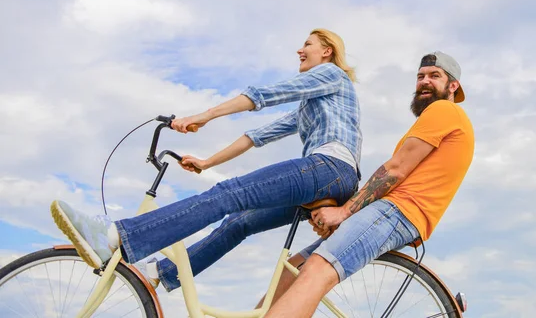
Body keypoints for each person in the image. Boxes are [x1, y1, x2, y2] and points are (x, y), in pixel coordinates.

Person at [50, 28, 363, 292]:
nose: (300, 49)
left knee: (228, 194)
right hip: (331, 180)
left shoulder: (331, 74)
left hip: (330, 169)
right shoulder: (315, 102)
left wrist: (205, 115)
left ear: (326, 51)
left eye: (307, 44)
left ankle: (114, 235)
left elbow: (268, 94)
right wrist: (207, 162)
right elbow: (257, 135)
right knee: (238, 222)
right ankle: (159, 273)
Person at [264, 51, 475, 317]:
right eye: (420, 76)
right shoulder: (439, 118)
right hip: (390, 212)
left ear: (452, 86)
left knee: (316, 271)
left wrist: (344, 212)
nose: (424, 81)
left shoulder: (444, 110)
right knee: (292, 269)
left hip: (399, 212)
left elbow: (395, 170)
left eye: (435, 76)